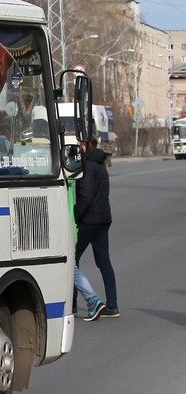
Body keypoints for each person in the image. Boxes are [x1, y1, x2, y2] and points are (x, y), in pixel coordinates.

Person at [75, 134, 118, 317]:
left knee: (71, 260)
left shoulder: (87, 167)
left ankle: (74, 304)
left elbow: (86, 196)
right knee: (104, 262)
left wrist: (75, 217)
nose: (77, 147)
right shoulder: (101, 165)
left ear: (86, 146)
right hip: (103, 219)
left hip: (89, 221)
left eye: (79, 144)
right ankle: (112, 305)